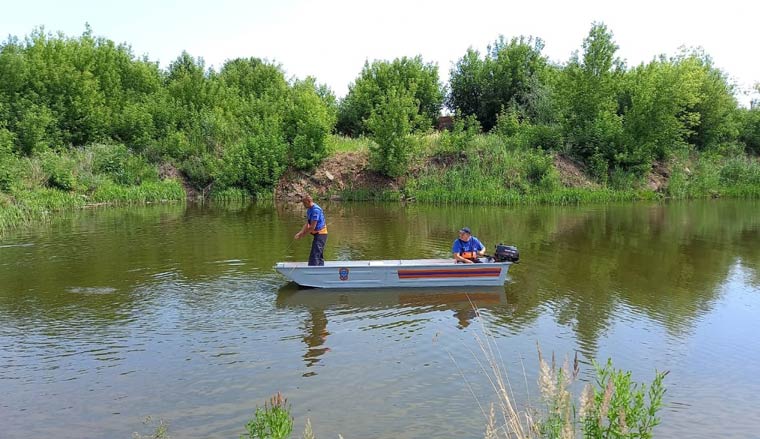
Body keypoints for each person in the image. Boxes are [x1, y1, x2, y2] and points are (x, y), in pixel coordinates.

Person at [294, 194, 328, 266]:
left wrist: (302, 235)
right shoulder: (309, 209)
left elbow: (312, 227)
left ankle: (313, 270)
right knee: (318, 254)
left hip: (321, 234)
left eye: (304, 203)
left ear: (309, 201)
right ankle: (320, 270)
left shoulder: (315, 210)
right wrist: (300, 233)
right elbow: (308, 223)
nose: (303, 205)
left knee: (315, 255)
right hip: (317, 234)